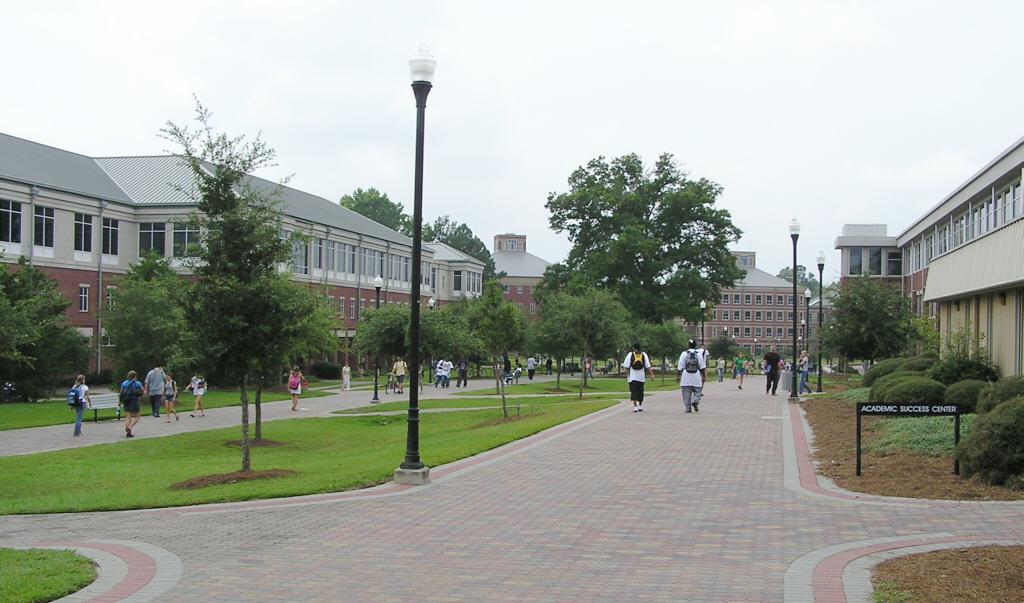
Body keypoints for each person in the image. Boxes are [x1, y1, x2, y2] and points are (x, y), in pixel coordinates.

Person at [621, 342, 655, 412]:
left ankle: (635, 407)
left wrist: (628, 376)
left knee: (634, 392)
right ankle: (640, 405)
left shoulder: (630, 354)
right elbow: (648, 366)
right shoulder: (644, 354)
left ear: (634, 348)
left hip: (633, 377)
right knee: (640, 391)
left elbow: (626, 366)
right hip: (641, 377)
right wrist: (652, 374)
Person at [676, 339, 707, 412]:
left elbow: (680, 366)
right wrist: (703, 376)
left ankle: (688, 408)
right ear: (695, 345)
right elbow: (702, 367)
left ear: (688, 345)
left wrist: (678, 375)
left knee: (686, 393)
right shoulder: (698, 354)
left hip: (686, 376)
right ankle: (695, 401)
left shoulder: (684, 353)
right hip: (696, 375)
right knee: (698, 390)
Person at [120, 370, 143, 437]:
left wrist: (120, 401)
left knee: (128, 416)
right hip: (134, 400)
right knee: (137, 416)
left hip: (126, 400)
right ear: (135, 376)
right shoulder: (137, 383)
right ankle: (130, 427)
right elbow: (143, 391)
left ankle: (128, 431)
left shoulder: (124, 383)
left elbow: (121, 393)